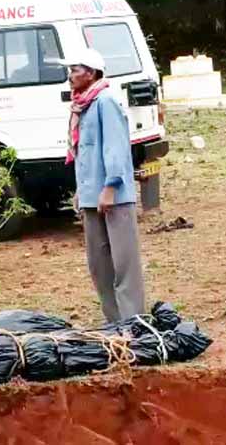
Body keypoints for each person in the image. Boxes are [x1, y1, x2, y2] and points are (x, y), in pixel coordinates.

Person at [62, 48, 146, 323]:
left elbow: (116, 148)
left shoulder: (105, 102)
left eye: (75, 70)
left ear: (91, 73)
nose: (70, 76)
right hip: (90, 196)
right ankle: (113, 322)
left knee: (124, 263)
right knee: (98, 265)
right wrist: (81, 191)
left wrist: (110, 187)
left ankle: (133, 322)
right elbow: (83, 154)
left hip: (113, 195)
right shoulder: (81, 106)